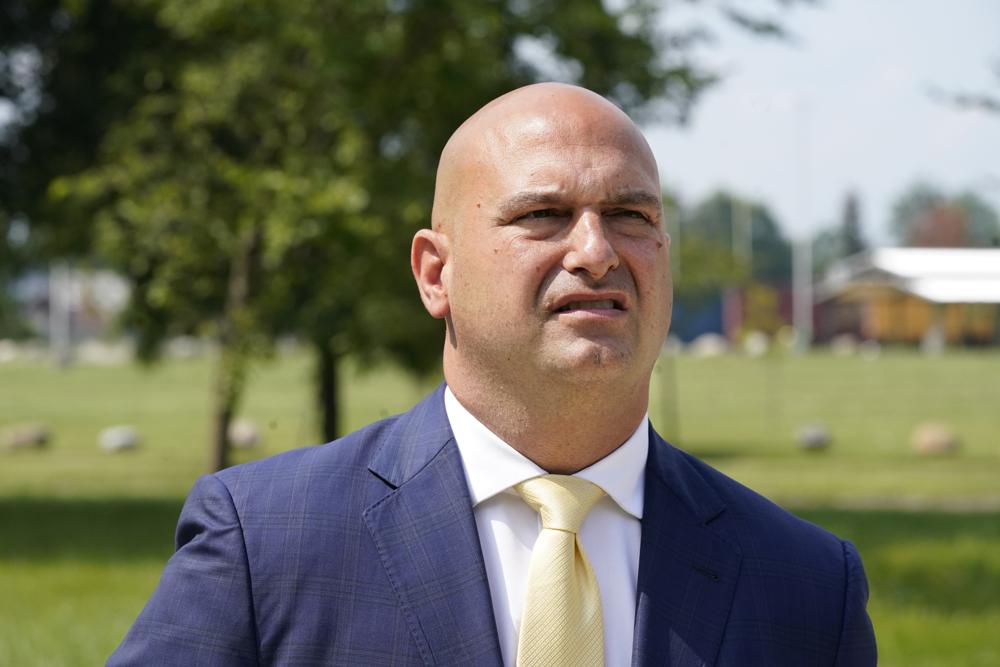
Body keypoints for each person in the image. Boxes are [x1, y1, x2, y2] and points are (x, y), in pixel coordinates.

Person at [109, 83, 876, 666]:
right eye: (542, 213)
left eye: (631, 216)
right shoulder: (264, 545)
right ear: (435, 273)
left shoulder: (807, 584)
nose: (596, 251)